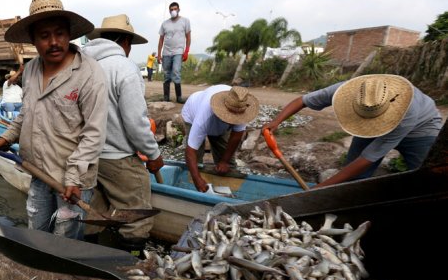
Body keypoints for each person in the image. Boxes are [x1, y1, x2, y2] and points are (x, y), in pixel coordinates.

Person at [0, 0, 107, 240]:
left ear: (69, 35)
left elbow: (94, 134)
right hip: (39, 171)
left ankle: (66, 276)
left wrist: (74, 177)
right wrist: (7, 138)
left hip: (73, 179)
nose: (54, 42)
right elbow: (26, 115)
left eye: (60, 34)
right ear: (33, 40)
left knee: (65, 239)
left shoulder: (90, 73)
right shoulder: (30, 71)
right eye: (44, 36)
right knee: (37, 231)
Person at [264, 74, 443, 188]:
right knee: (352, 178)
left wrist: (319, 189)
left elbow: (368, 158)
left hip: (421, 129)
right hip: (374, 123)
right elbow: (302, 100)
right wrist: (276, 121)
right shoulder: (350, 91)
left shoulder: (407, 112)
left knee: (426, 177)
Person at [81, 14, 164, 256]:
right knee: (136, 216)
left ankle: (88, 260)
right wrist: (153, 154)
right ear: (125, 41)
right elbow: (136, 124)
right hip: (118, 158)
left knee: (92, 212)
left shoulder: (85, 66)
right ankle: (129, 270)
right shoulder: (125, 68)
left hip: (88, 157)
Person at [182, 85, 259, 192]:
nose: (231, 120)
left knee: (228, 165)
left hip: (218, 123)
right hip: (192, 113)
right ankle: (192, 188)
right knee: (196, 160)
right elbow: (190, 151)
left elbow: (236, 136)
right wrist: (197, 178)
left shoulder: (241, 107)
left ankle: (228, 191)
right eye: (229, 117)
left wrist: (224, 161)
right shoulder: (204, 115)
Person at [157, 2, 191, 103]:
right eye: (171, 9)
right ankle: (166, 97)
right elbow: (161, 40)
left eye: (175, 9)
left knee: (176, 72)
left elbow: (188, 37)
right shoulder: (165, 23)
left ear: (179, 9)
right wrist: (159, 54)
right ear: (169, 11)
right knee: (167, 74)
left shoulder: (185, 21)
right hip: (166, 52)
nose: (173, 11)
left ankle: (179, 97)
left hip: (178, 51)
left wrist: (186, 51)